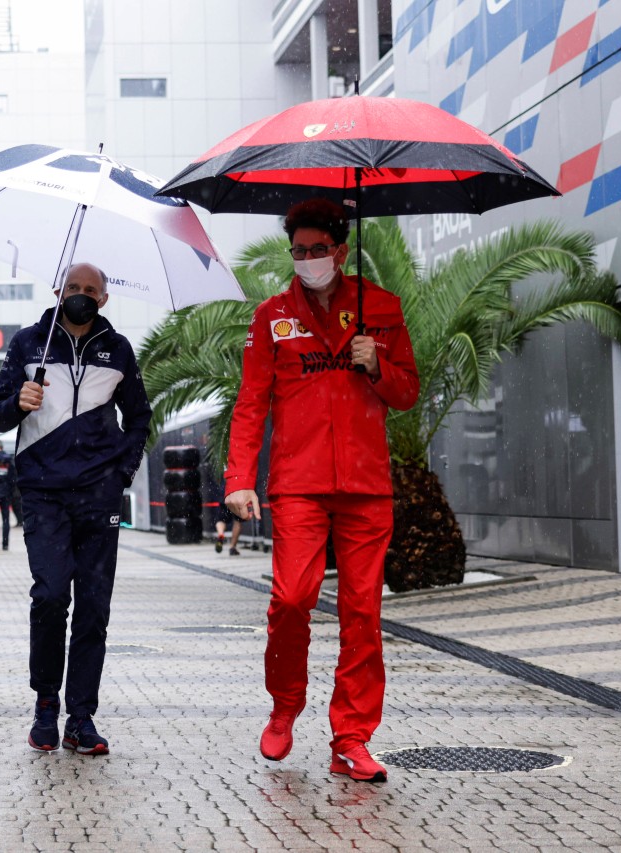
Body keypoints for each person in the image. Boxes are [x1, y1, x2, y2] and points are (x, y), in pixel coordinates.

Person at [224, 199, 419, 783]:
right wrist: (239, 480)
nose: (308, 260)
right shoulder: (271, 316)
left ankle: (352, 738)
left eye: (318, 250)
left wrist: (376, 362)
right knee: (291, 598)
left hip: (366, 486)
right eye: (299, 251)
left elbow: (407, 392)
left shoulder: (380, 309)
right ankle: (285, 706)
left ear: (341, 249)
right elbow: (252, 402)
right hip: (299, 485)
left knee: (363, 613)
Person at [0, 262, 152, 756]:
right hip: (42, 492)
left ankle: (81, 717)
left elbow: (140, 417)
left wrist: (120, 474)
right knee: (51, 595)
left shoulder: (118, 349)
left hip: (99, 496)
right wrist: (19, 402)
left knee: (94, 608)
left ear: (103, 299)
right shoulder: (26, 344)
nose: (81, 296)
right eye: (73, 288)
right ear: (58, 291)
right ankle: (45, 704)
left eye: (91, 290)